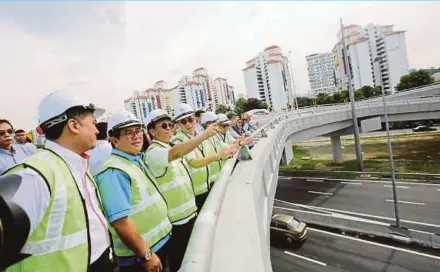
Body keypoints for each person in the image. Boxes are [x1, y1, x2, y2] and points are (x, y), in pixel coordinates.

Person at [1, 90, 114, 271]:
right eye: (93, 123)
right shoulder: (35, 175)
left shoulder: (78, 164)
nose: (96, 129)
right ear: (74, 125)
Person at [144, 109, 221, 271]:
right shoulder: (153, 153)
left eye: (170, 125)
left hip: (188, 216)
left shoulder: (168, 146)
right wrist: (204, 135)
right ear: (152, 131)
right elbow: (176, 152)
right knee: (181, 263)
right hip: (176, 222)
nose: (169, 129)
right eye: (164, 126)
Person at [95, 110, 171, 272]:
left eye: (138, 131)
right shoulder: (114, 172)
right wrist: (146, 255)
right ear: (114, 140)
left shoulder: (134, 160)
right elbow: (121, 223)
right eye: (128, 133)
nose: (136, 136)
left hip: (156, 245)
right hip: (140, 257)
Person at [170, 103, 233, 210]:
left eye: (190, 119)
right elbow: (194, 162)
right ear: (178, 124)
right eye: (183, 121)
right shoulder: (178, 141)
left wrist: (238, 144)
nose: (188, 124)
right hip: (196, 191)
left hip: (208, 185)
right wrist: (218, 156)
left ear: (195, 119)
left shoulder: (199, 135)